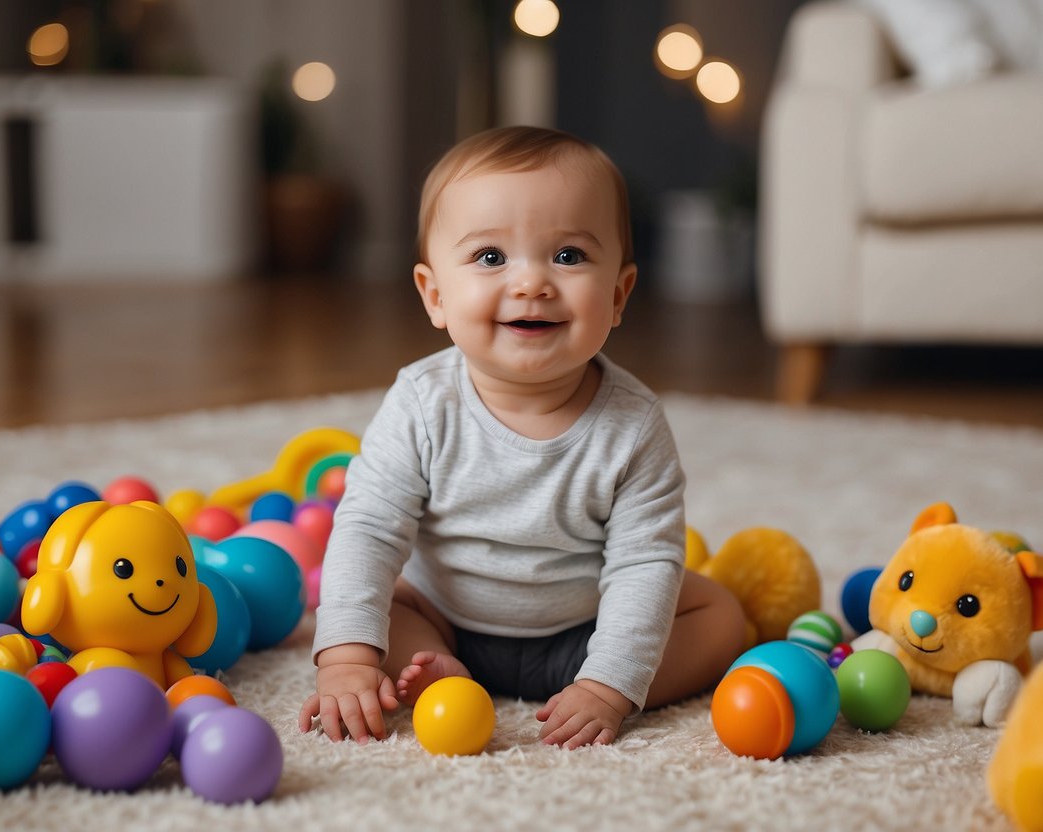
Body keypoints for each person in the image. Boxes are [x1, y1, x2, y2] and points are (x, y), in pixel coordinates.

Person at [298, 126, 746, 750]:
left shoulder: (635, 425)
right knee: (386, 604)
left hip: (583, 631)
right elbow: (369, 526)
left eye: (568, 256)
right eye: (490, 257)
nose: (531, 282)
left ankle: (584, 690)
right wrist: (345, 658)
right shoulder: (423, 403)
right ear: (435, 295)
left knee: (721, 617)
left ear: (618, 295)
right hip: (443, 619)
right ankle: (438, 672)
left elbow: (645, 562)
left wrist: (610, 683)